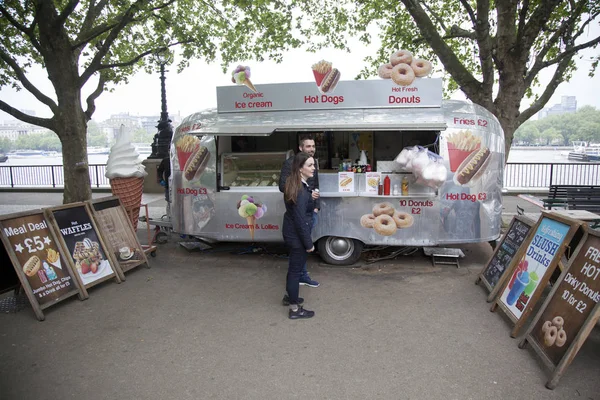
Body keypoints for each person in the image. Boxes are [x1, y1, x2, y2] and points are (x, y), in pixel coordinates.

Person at [279, 135, 321, 298]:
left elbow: (316, 185)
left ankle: (299, 279)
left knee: (302, 246)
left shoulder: (313, 163)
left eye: (313, 146)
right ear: (301, 148)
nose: (312, 149)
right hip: (300, 212)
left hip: (310, 210)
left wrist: (315, 205)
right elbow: (283, 186)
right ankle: (299, 283)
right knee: (301, 245)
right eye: (308, 146)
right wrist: (303, 194)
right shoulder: (291, 164)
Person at [282, 152, 316, 319]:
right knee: (295, 271)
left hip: (290, 232)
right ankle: (295, 309)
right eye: (310, 165)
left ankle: (290, 296)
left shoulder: (294, 183)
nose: (313, 168)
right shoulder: (300, 190)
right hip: (296, 235)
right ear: (300, 168)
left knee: (293, 269)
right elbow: (300, 220)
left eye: (313, 165)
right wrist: (309, 244)